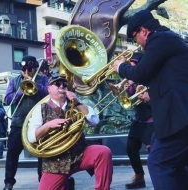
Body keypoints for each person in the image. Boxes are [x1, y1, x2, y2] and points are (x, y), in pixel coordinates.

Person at [112, 10, 188, 190]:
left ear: (143, 31)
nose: (136, 43)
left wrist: (120, 66)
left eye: (134, 37)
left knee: (158, 163)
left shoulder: (160, 40)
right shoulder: (167, 39)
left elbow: (140, 73)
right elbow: (169, 78)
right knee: (177, 166)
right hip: (179, 115)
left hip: (179, 117)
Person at [27, 75, 113, 190]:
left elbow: (94, 121)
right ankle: (65, 184)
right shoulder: (40, 109)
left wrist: (77, 102)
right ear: (49, 89)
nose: (61, 86)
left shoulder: (76, 104)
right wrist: (48, 125)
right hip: (56, 161)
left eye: (64, 84)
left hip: (79, 153)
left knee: (103, 152)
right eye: (57, 84)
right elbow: (32, 137)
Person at [3, 55, 48, 190]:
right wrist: (21, 90)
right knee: (12, 153)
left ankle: (43, 182)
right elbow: (6, 100)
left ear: (35, 68)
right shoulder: (14, 81)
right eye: (25, 69)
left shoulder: (43, 79)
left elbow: (47, 94)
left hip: (38, 122)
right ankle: (8, 183)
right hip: (18, 122)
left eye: (30, 69)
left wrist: (35, 84)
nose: (27, 72)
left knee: (41, 153)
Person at [124, 53, 154, 189]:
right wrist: (125, 90)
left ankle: (159, 179)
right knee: (130, 148)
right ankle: (139, 177)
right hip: (138, 119)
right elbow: (129, 101)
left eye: (135, 65)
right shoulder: (133, 80)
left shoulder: (151, 79)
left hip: (151, 120)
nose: (133, 67)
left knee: (153, 151)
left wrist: (148, 97)